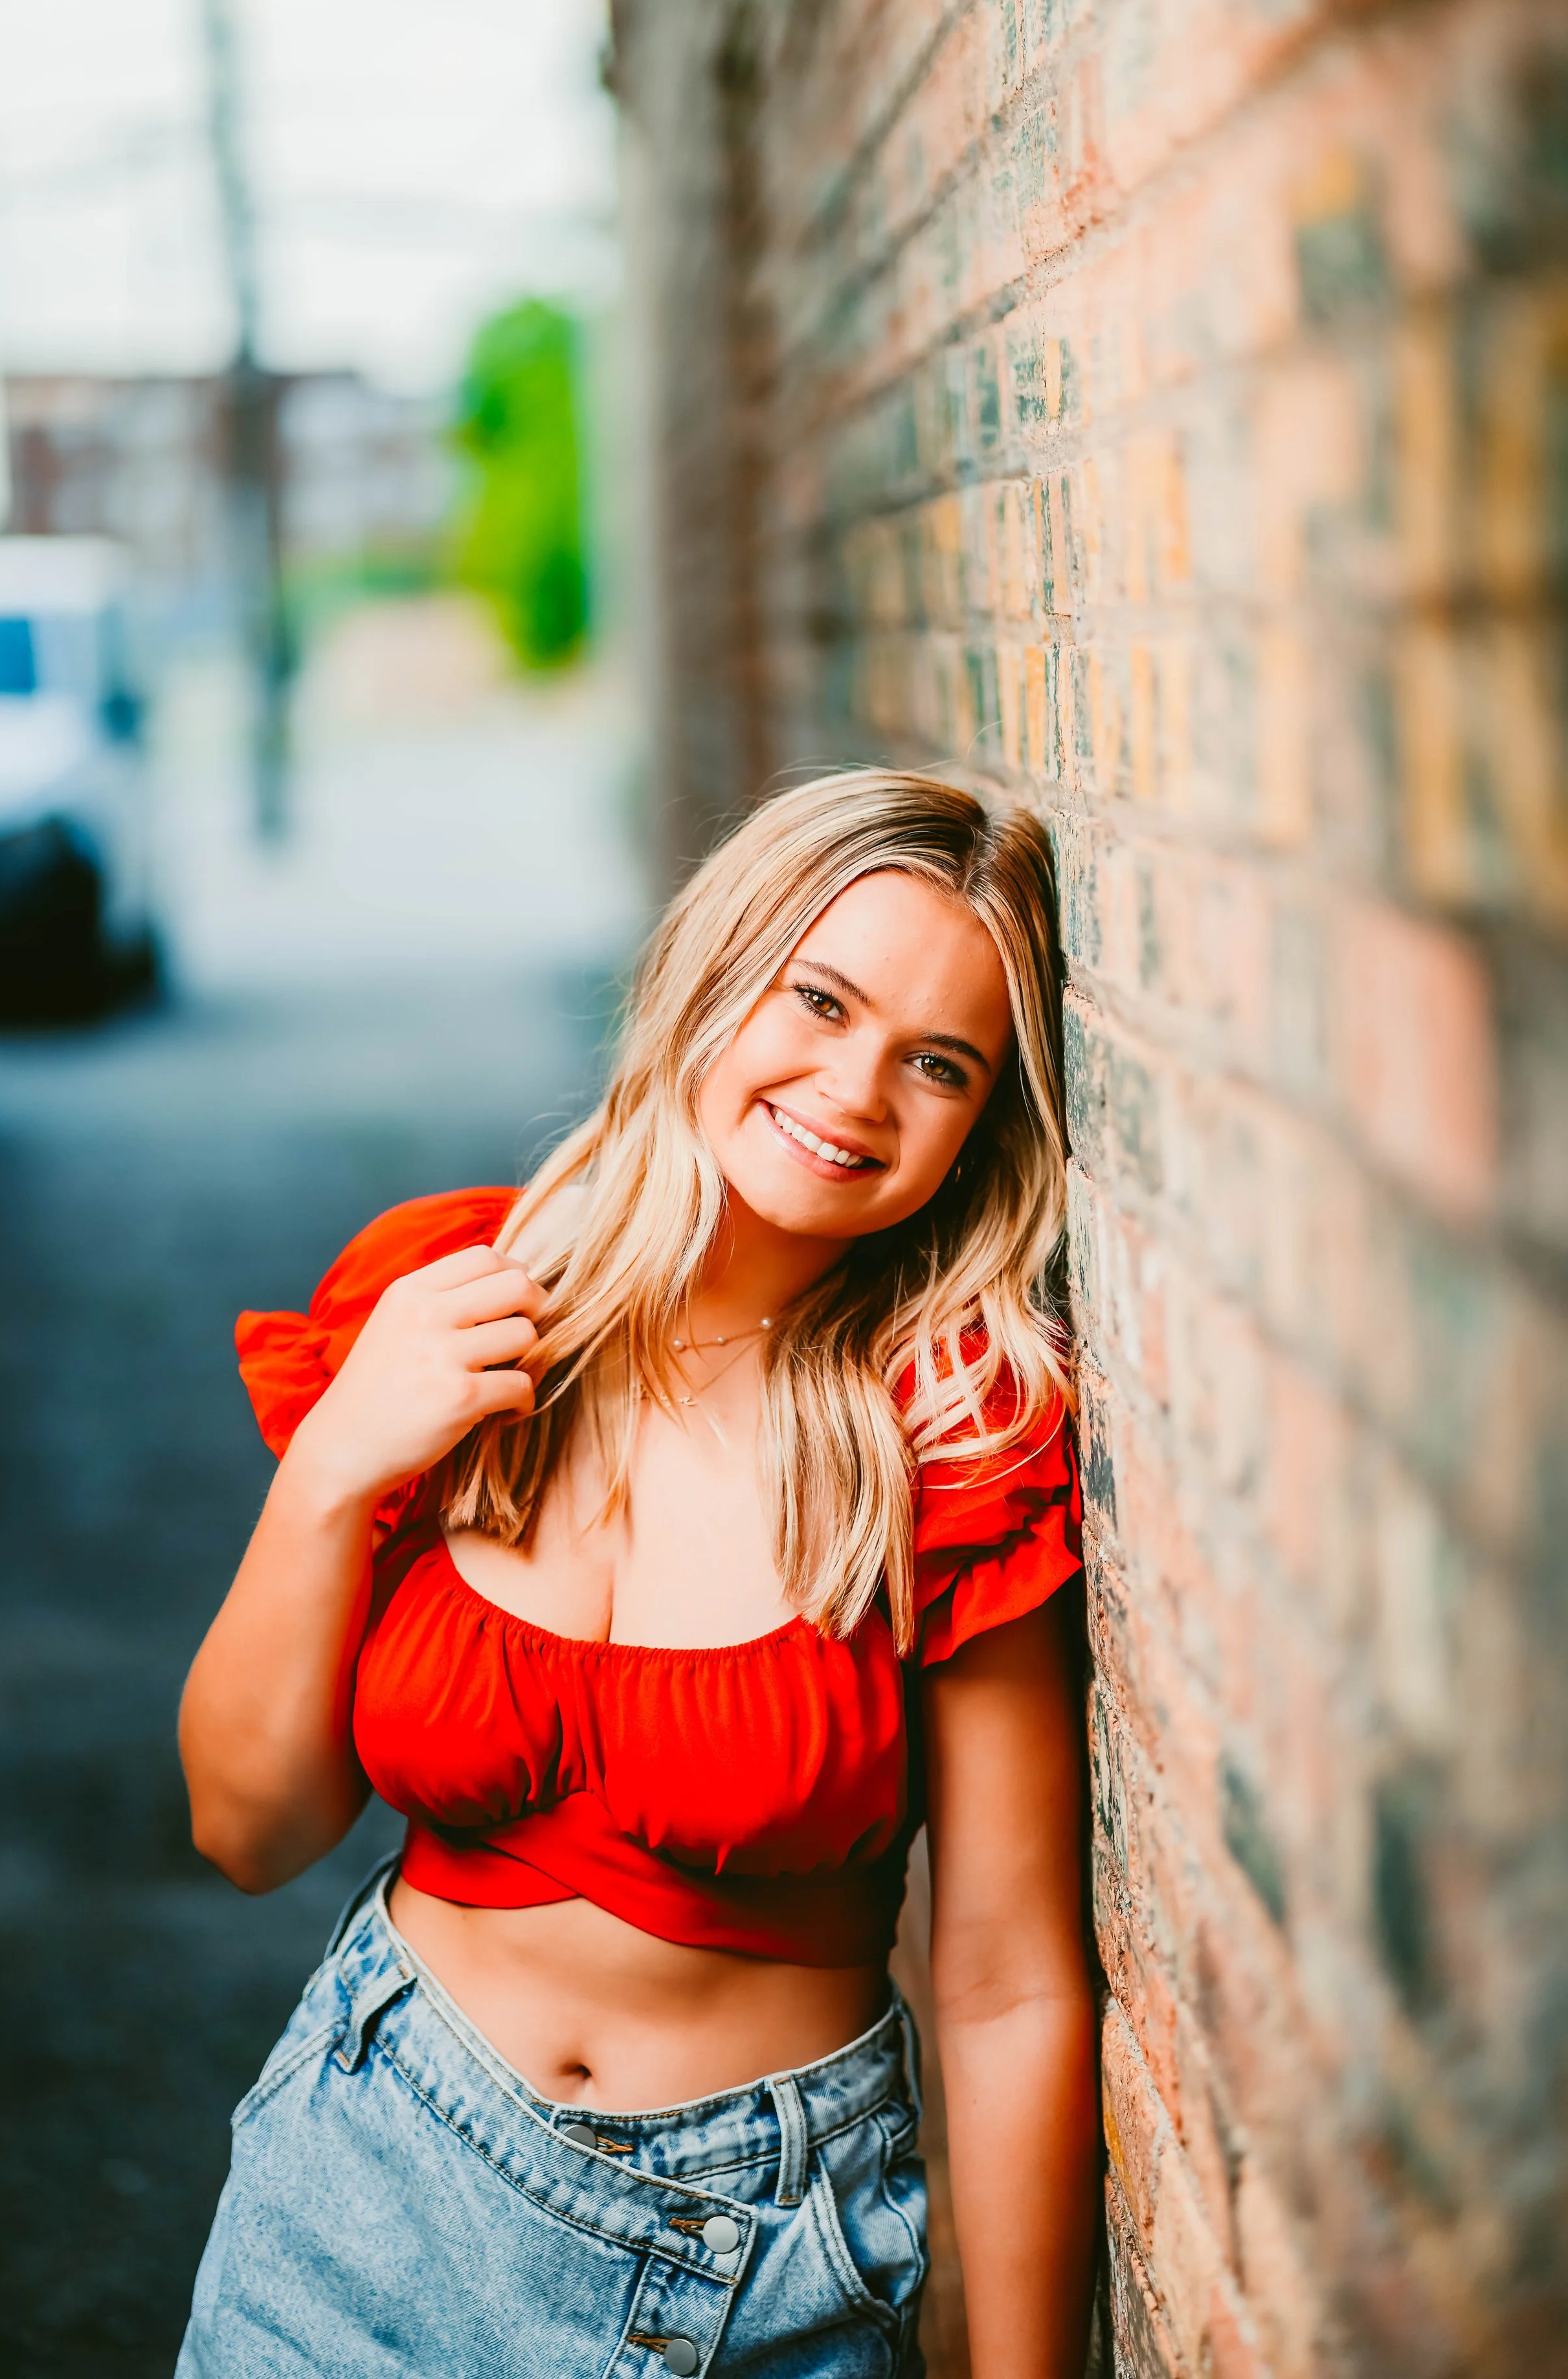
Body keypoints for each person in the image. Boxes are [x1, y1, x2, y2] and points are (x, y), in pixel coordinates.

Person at [177, 770, 1097, 2378]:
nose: (856, 1090)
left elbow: (1010, 1982)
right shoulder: (447, 1302)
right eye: (819, 1000)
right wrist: (334, 1472)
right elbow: (249, 1833)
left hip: (761, 2268)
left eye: (935, 1065)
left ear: (977, 1132)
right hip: (360, 2192)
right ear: (714, 972)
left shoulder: (948, 1431)